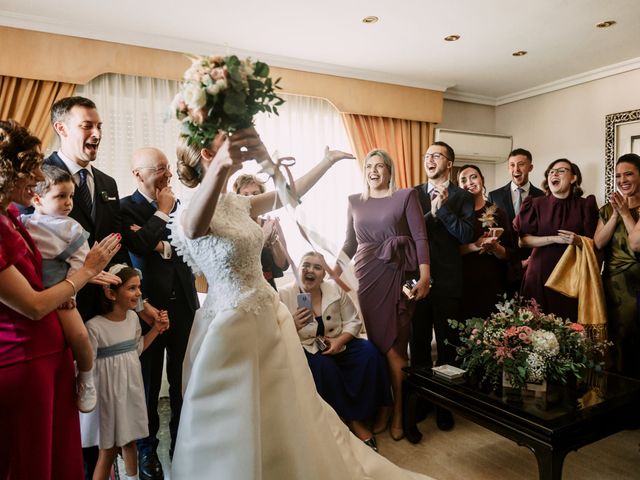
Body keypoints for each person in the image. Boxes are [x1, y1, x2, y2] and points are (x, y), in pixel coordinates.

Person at [169, 128, 431, 479]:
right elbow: (196, 228)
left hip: (267, 316)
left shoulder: (239, 204)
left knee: (287, 408)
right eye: (221, 140)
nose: (231, 143)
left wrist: (326, 161)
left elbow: (289, 194)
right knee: (236, 414)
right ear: (207, 154)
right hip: (230, 324)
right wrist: (219, 166)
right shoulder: (190, 210)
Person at [45, 96, 163, 479]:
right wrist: (81, 272)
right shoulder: (40, 178)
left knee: (105, 410)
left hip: (104, 311)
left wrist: (138, 302)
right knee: (69, 411)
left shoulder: (107, 183)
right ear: (62, 128)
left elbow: (118, 252)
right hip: (60, 309)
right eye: (87, 126)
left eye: (100, 127)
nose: (96, 134)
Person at [0, 119, 120, 480]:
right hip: (22, 360)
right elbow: (33, 305)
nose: (38, 174)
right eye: (31, 167)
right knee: (28, 459)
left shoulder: (9, 215)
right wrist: (86, 272)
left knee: (56, 457)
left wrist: (79, 277)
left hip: (51, 353)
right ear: (8, 172)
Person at [340, 149, 430, 441]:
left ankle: (400, 412)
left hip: (397, 274)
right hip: (365, 277)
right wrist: (333, 269)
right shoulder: (354, 201)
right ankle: (383, 407)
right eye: (370, 166)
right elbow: (350, 243)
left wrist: (426, 275)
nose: (374, 171)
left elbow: (419, 237)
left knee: (394, 349)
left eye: (381, 166)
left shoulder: (405, 196)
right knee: (374, 347)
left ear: (390, 171)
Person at [120, 147, 199, 471]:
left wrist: (160, 245)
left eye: (168, 168)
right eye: (160, 169)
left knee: (183, 380)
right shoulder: (125, 209)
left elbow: (190, 250)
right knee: (148, 385)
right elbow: (136, 246)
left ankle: (182, 441)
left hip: (183, 305)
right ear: (139, 174)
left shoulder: (182, 207)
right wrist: (162, 214)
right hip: (147, 308)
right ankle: (147, 449)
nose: (168, 175)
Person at [21, 165, 121, 413]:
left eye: (71, 197)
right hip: (28, 289)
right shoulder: (23, 223)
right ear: (37, 199)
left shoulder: (72, 228)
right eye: (60, 197)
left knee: (80, 336)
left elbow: (81, 263)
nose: (68, 203)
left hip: (60, 290)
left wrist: (70, 294)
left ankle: (86, 378)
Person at [279, 251, 392, 451]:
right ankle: (352, 420)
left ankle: (380, 409)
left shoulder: (334, 290)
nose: (310, 270)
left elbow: (353, 321)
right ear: (298, 269)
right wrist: (292, 324)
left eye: (317, 267)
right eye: (306, 265)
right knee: (324, 366)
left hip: (340, 341)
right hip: (306, 346)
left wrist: (340, 341)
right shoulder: (284, 295)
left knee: (370, 353)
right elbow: (276, 333)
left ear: (324, 275)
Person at [81, 265, 169, 480]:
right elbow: (87, 364)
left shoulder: (132, 320)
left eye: (139, 287)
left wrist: (156, 329)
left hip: (130, 389)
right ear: (111, 293)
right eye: (131, 288)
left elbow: (136, 349)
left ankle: (132, 477)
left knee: (130, 442)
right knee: (108, 450)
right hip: (108, 395)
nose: (139, 294)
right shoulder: (95, 327)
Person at [411, 141, 475, 431]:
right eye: (427, 156)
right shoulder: (411, 194)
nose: (430, 159)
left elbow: (465, 235)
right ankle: (422, 400)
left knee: (449, 347)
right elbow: (408, 234)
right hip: (418, 280)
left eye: (436, 155)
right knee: (420, 345)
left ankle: (446, 404)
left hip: (449, 280)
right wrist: (431, 214)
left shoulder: (463, 196)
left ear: (449, 163)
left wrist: (445, 210)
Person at [514, 159, 598, 322]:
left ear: (573, 178)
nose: (554, 173)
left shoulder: (585, 205)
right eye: (551, 171)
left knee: (569, 326)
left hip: (570, 277)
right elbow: (523, 241)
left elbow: (595, 242)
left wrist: (578, 240)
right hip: (539, 274)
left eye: (560, 170)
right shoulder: (535, 204)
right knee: (535, 327)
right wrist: (555, 239)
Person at [596, 153, 640, 379]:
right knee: (613, 341)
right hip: (612, 284)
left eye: (629, 174)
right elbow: (599, 242)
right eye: (619, 175)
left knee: (633, 341)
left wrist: (625, 212)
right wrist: (615, 213)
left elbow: (636, 243)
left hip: (636, 285)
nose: (622, 180)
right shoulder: (607, 209)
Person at [457, 164, 515, 320]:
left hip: (492, 281)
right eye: (463, 180)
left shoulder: (498, 212)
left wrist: (496, 248)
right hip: (462, 282)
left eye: (473, 177)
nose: (469, 182)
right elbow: (448, 252)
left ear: (482, 180)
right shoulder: (455, 214)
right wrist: (474, 246)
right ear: (459, 186)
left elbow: (509, 253)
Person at [487, 148, 544, 295]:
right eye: (512, 165)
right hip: (504, 263)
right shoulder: (494, 196)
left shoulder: (542, 197)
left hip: (532, 262)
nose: (516, 169)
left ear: (530, 167)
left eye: (521, 164)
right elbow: (490, 227)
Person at [233, 173, 289, 289]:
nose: (251, 198)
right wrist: (264, 235)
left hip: (269, 289)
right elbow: (238, 263)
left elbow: (283, 264)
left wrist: (274, 240)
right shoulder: (233, 227)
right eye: (245, 194)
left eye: (255, 194)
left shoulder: (271, 224)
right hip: (243, 291)